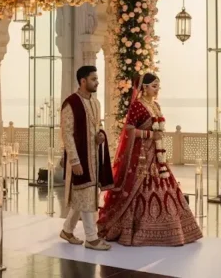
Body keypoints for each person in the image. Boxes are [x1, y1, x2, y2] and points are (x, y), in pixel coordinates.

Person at [97, 73, 202, 246]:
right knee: (138, 190)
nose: (157, 89)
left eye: (158, 86)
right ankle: (135, 228)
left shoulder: (156, 105)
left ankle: (171, 228)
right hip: (142, 157)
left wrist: (156, 138)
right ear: (144, 87)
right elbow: (130, 130)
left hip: (157, 155)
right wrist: (150, 134)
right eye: (154, 86)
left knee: (166, 187)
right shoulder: (137, 106)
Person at [59, 65, 114, 250]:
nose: (97, 82)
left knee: (85, 195)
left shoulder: (95, 103)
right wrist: (74, 160)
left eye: (97, 79)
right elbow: (66, 134)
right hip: (80, 159)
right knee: (85, 195)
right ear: (83, 81)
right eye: (93, 79)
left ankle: (67, 230)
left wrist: (100, 138)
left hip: (93, 158)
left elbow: (95, 129)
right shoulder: (71, 103)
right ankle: (91, 238)